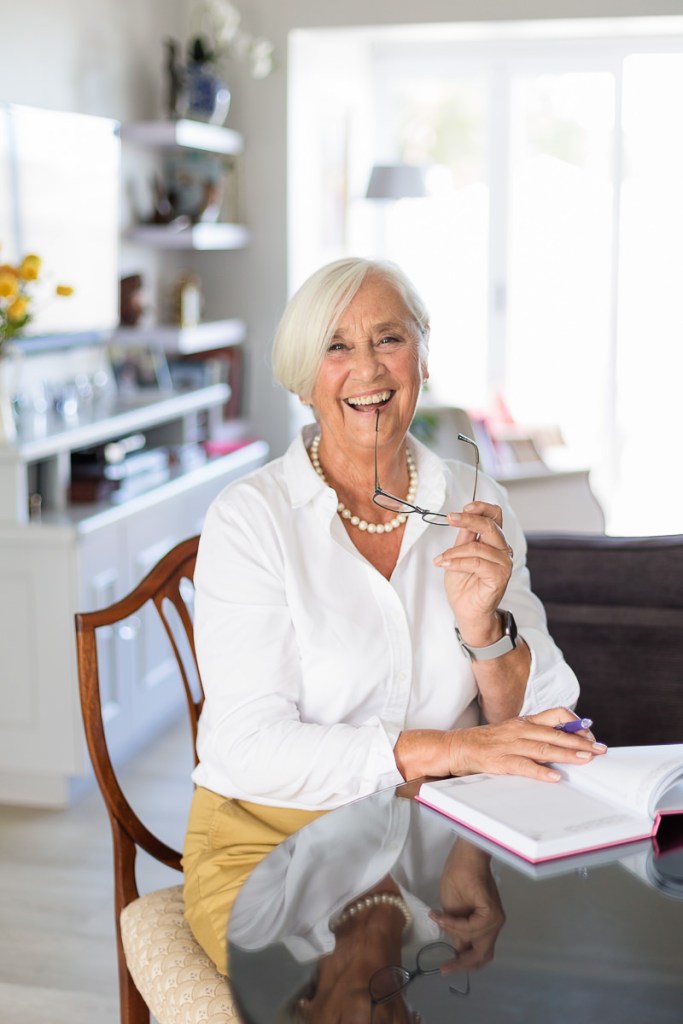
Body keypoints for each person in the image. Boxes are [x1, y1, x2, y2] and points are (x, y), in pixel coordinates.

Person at [182, 256, 606, 977]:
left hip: (444, 834)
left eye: (389, 339)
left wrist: (483, 629)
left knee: (554, 975)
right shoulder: (249, 519)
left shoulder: (477, 502)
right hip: (271, 839)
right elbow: (252, 747)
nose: (368, 369)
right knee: (356, 991)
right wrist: (453, 751)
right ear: (302, 376)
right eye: (336, 346)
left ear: (422, 354)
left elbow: (541, 718)